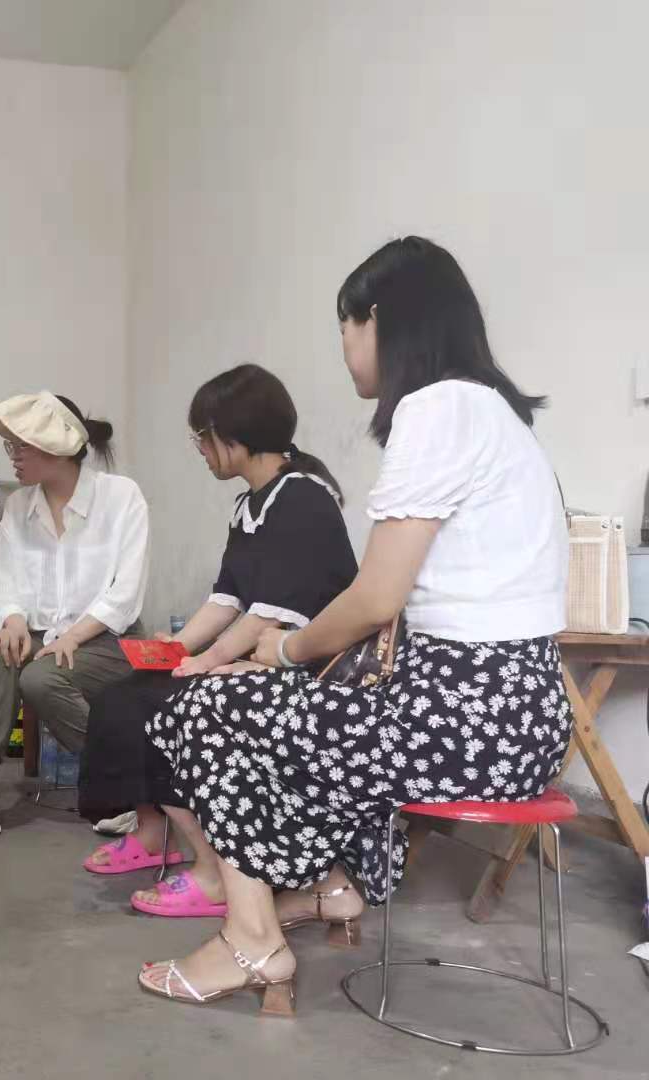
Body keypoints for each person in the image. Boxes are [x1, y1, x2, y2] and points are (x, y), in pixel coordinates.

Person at [136, 237, 571, 1015]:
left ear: (380, 318)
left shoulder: (437, 408)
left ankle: (251, 940)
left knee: (203, 707)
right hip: (521, 717)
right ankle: (329, 887)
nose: (343, 345)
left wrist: (285, 651)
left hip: (462, 720)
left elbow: (375, 597)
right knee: (279, 707)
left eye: (346, 325)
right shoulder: (494, 411)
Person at [77, 365, 356, 918]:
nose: (201, 451)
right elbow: (228, 597)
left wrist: (205, 661)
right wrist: (179, 647)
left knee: (169, 705)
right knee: (124, 695)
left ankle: (213, 870)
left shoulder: (302, 497)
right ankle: (152, 832)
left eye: (202, 438)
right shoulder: (250, 504)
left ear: (235, 436)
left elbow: (271, 612)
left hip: (311, 667)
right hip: (264, 656)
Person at [0, 392, 148, 850]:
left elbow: (125, 593)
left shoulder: (120, 496)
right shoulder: (20, 506)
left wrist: (73, 636)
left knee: (40, 678)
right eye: (11, 446)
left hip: (109, 641)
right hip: (41, 637)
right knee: (3, 648)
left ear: (58, 447)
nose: (13, 456)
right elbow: (4, 581)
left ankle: (128, 784)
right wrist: (13, 620)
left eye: (22, 446)